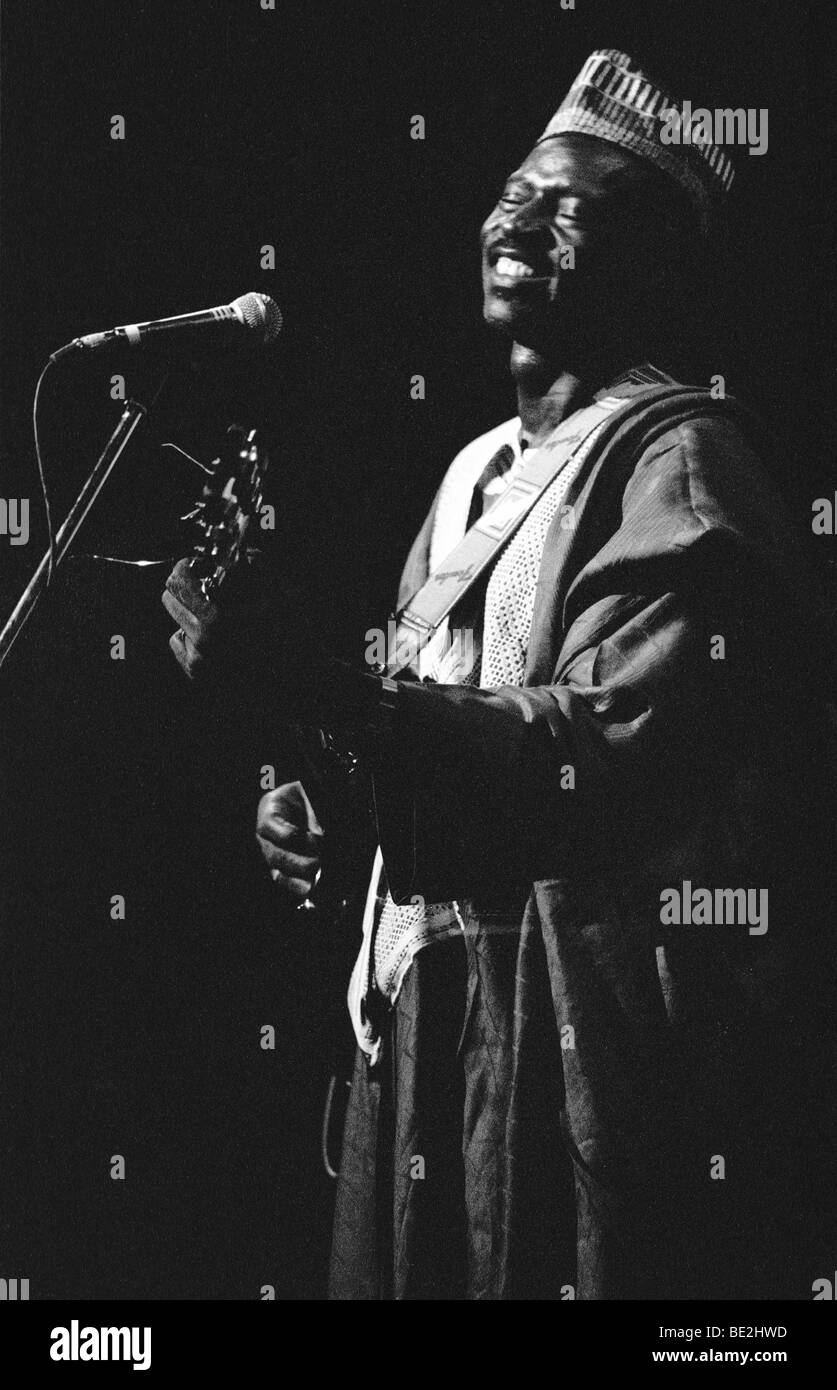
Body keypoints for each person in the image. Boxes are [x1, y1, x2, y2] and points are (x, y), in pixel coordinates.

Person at [163, 50, 836, 1299]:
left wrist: (318, 688)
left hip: (556, 1047)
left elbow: (599, 756)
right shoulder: (471, 473)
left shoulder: (686, 458)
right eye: (514, 190)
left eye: (569, 203)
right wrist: (312, 786)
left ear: (649, 262)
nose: (518, 217)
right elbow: (418, 743)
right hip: (423, 1030)